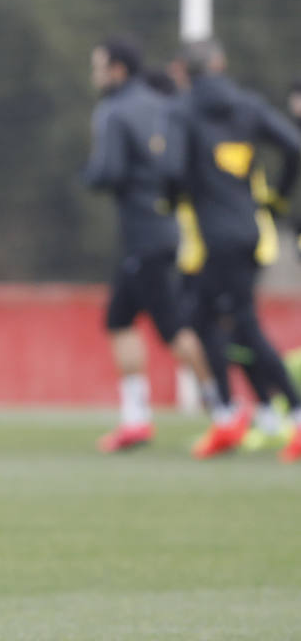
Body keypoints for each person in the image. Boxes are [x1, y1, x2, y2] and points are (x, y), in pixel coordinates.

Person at [81, 38, 237, 454]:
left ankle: (224, 412)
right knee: (119, 318)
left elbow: (108, 171)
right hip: (168, 228)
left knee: (173, 327)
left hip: (143, 236)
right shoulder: (164, 104)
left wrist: (90, 175)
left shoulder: (113, 110)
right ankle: (136, 419)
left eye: (98, 66)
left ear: (117, 70)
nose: (94, 74)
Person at [167, 38, 301, 461]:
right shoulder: (248, 105)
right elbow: (294, 145)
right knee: (216, 323)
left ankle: (277, 415)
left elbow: (170, 170)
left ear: (185, 71)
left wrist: (176, 199)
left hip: (211, 237)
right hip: (250, 230)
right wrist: (277, 198)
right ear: (220, 64)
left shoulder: (183, 110)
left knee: (232, 325)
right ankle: (240, 416)